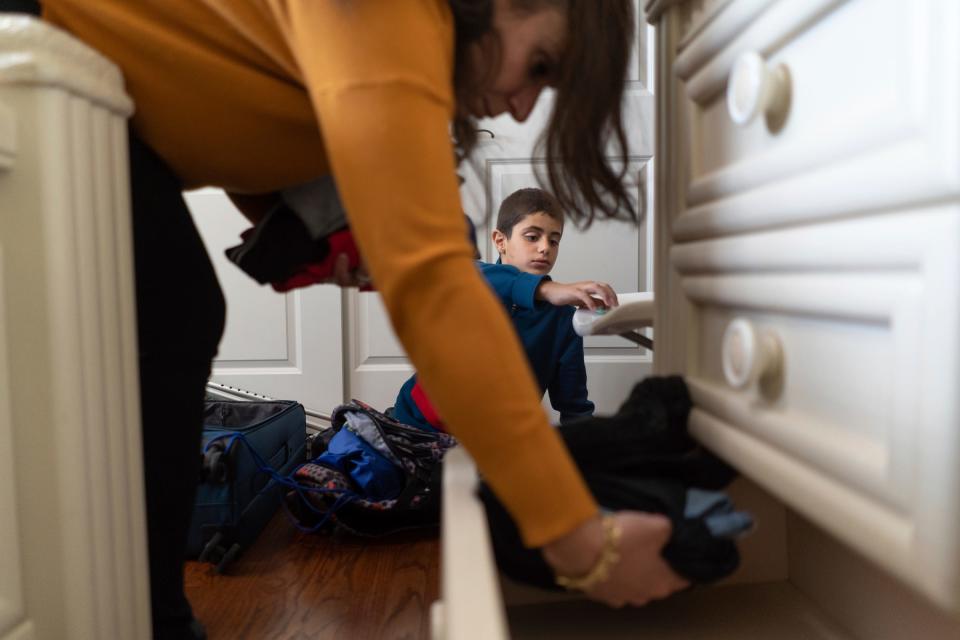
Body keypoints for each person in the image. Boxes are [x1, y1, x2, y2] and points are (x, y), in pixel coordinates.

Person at [35, 1, 687, 637]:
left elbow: (223, 91)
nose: (524, 106)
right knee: (180, 314)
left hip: (97, 99)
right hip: (40, 41)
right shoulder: (395, 14)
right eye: (540, 64)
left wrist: (291, 219)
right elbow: (442, 294)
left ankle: (150, 611)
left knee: (181, 314)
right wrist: (577, 540)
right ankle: (142, 612)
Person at [394, 187, 615, 431]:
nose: (545, 248)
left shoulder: (563, 320)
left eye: (554, 240)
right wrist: (547, 290)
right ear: (500, 241)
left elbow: (574, 406)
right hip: (417, 426)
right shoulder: (471, 279)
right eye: (532, 237)